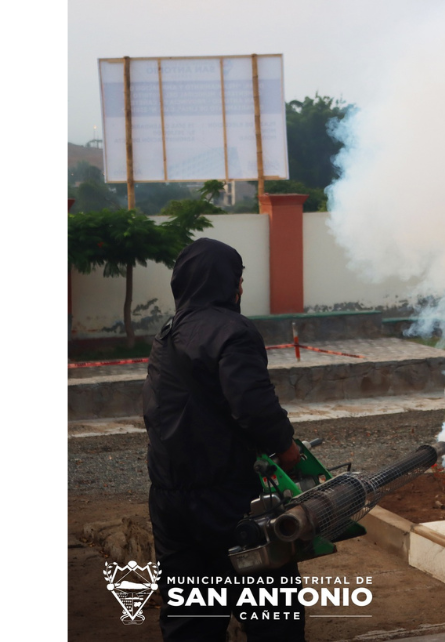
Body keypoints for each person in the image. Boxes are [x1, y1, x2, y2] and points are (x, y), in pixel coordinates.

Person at [143, 238, 305, 641]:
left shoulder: (167, 334)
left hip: (169, 502)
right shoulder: (233, 331)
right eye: (239, 279)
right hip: (227, 501)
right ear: (228, 283)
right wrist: (287, 450)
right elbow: (254, 407)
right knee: (273, 613)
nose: (241, 288)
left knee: (190, 618)